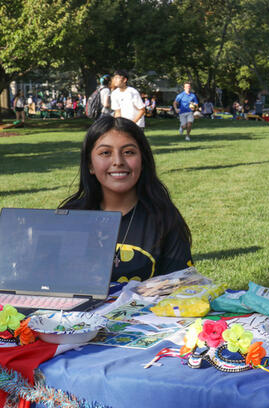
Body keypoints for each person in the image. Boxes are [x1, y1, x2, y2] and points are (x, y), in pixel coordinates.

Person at [59, 116, 192, 283]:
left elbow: (181, 287)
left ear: (142, 161)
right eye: (105, 153)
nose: (118, 162)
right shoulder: (71, 216)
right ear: (90, 165)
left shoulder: (164, 218)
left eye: (128, 152)